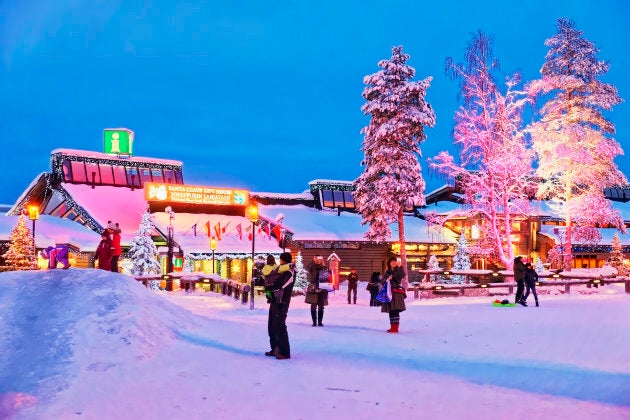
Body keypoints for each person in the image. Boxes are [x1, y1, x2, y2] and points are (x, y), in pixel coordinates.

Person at [263, 252, 295, 360]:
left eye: (281, 259)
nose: (279, 261)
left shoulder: (289, 272)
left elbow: (280, 285)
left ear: (283, 260)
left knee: (279, 326)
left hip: (282, 302)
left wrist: (269, 287)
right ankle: (275, 349)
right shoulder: (282, 270)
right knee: (272, 326)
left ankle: (284, 352)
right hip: (275, 300)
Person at [381, 257, 406, 333]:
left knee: (396, 310)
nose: (394, 262)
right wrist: (387, 279)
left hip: (396, 292)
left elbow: (401, 276)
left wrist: (400, 267)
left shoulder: (398, 269)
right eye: (392, 261)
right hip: (389, 293)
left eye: (395, 261)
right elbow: (382, 281)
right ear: (389, 263)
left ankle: (396, 328)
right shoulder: (387, 272)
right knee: (391, 310)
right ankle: (392, 327)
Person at [262, 255, 279, 354]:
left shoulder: (265, 269)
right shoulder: (277, 268)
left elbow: (264, 277)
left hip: (269, 290)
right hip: (276, 293)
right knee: (275, 325)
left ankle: (274, 348)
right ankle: (276, 348)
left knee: (271, 326)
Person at [306, 255, 328, 326]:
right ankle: (314, 322)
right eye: (317, 259)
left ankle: (320, 322)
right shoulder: (312, 267)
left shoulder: (324, 267)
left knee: (321, 305)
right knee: (313, 305)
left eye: (320, 259)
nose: (318, 260)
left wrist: (324, 264)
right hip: (313, 287)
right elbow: (307, 267)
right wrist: (313, 261)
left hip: (322, 288)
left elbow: (326, 276)